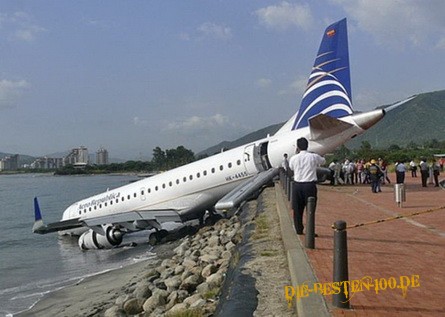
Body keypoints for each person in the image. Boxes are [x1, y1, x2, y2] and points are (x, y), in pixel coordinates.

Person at [289, 137, 326, 235]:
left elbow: (291, 167)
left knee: (297, 209)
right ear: (307, 146)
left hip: (297, 185)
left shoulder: (293, 158)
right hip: (309, 185)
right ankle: (310, 231)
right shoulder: (313, 156)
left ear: (297, 147)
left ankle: (299, 229)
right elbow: (323, 161)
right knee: (310, 209)